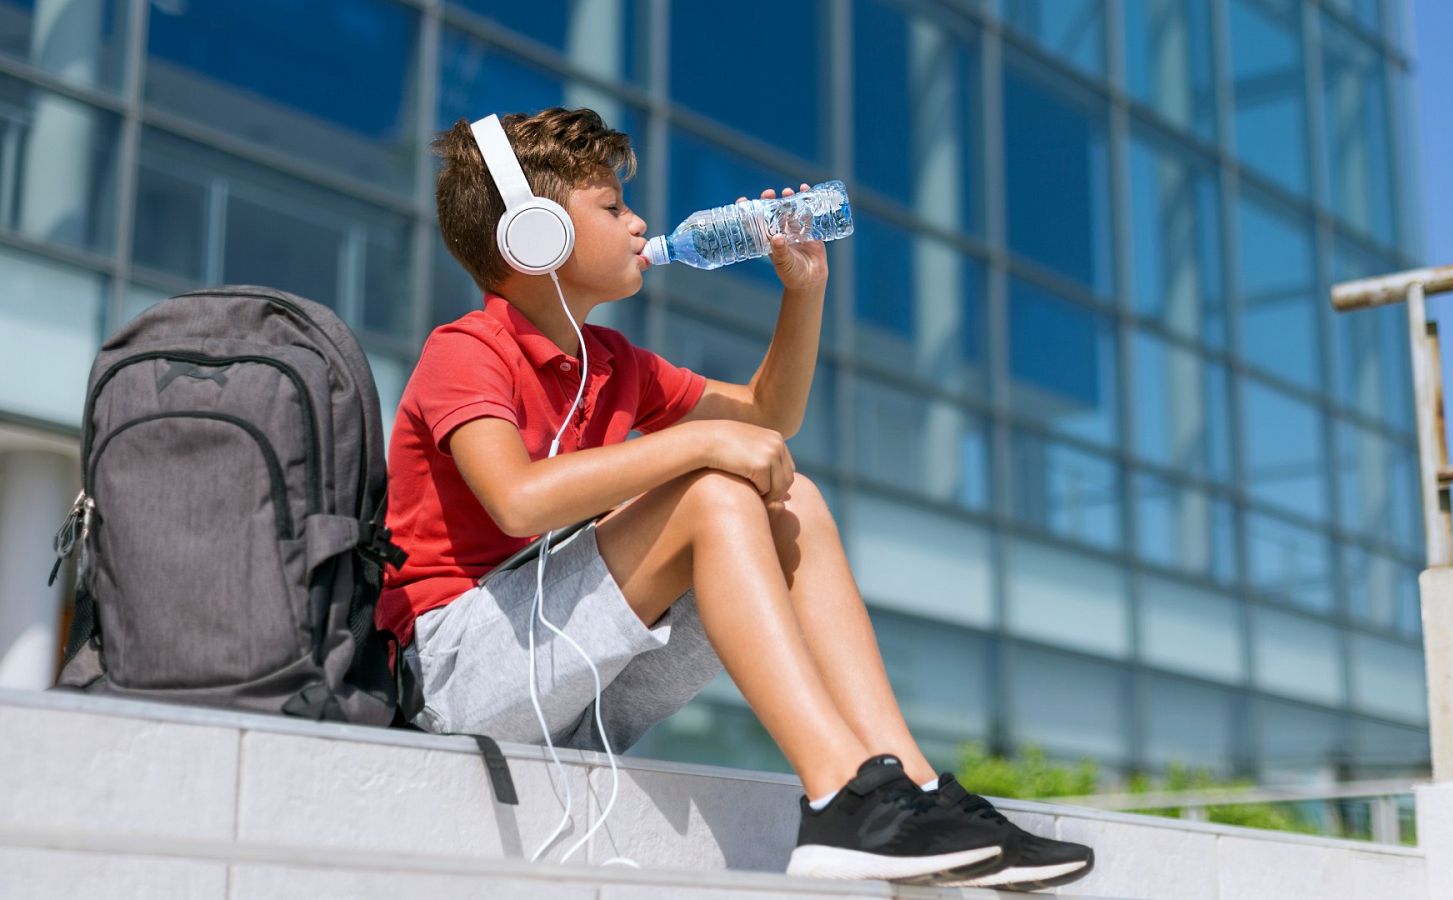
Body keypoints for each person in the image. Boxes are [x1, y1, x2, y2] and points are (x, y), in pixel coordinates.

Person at [377, 105, 1093, 890]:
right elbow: (515, 501)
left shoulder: (614, 362)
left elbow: (769, 416)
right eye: (613, 208)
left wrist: (803, 292)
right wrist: (695, 445)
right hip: (456, 674)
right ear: (533, 234)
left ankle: (909, 789)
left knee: (793, 505)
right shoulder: (468, 351)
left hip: (576, 678)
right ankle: (839, 793)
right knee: (715, 492)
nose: (640, 222)